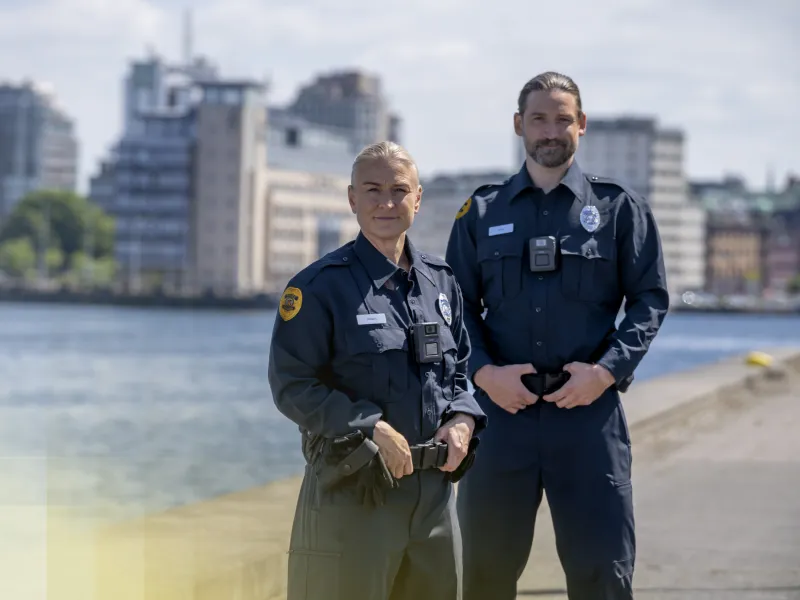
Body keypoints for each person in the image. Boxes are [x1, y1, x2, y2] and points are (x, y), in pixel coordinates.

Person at [445, 71, 670, 600]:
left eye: (562, 119)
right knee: (485, 576)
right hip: (500, 421)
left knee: (603, 576)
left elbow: (649, 300)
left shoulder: (619, 210)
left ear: (582, 125)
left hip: (587, 420)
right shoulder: (481, 211)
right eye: (539, 118)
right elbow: (451, 308)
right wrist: (482, 373)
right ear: (519, 125)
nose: (551, 130)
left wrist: (607, 372)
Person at [268, 141, 487, 600]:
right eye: (372, 190)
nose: (387, 202)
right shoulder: (318, 288)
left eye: (398, 190)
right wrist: (372, 426)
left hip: (434, 503)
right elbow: (292, 386)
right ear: (352, 199)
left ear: (418, 198)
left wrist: (463, 420)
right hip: (356, 497)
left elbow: (460, 372)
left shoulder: (441, 282)